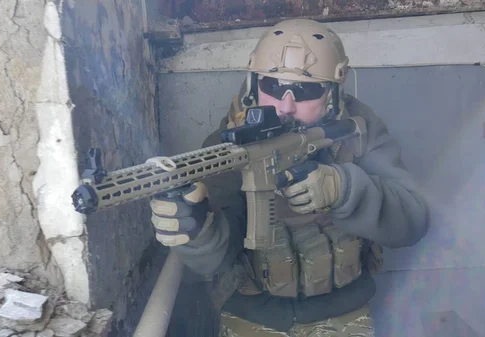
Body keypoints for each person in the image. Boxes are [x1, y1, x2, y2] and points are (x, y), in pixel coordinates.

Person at [149, 19, 429, 336]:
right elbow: (215, 259)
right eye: (272, 87)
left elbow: (414, 220)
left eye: (305, 90)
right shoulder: (228, 145)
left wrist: (345, 189)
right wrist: (198, 232)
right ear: (254, 83)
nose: (285, 106)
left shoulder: (358, 130)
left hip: (343, 313)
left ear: (332, 93)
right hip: (252, 316)